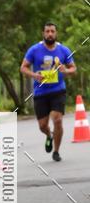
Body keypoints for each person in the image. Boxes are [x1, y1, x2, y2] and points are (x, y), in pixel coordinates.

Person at [21, 22, 76, 162]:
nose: (50, 34)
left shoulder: (63, 50)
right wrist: (34, 75)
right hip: (40, 92)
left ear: (56, 33)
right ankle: (49, 135)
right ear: (43, 33)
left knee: (57, 120)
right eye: (47, 31)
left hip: (58, 90)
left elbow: (73, 69)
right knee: (42, 125)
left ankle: (56, 152)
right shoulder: (34, 50)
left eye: (52, 31)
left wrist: (66, 70)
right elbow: (23, 68)